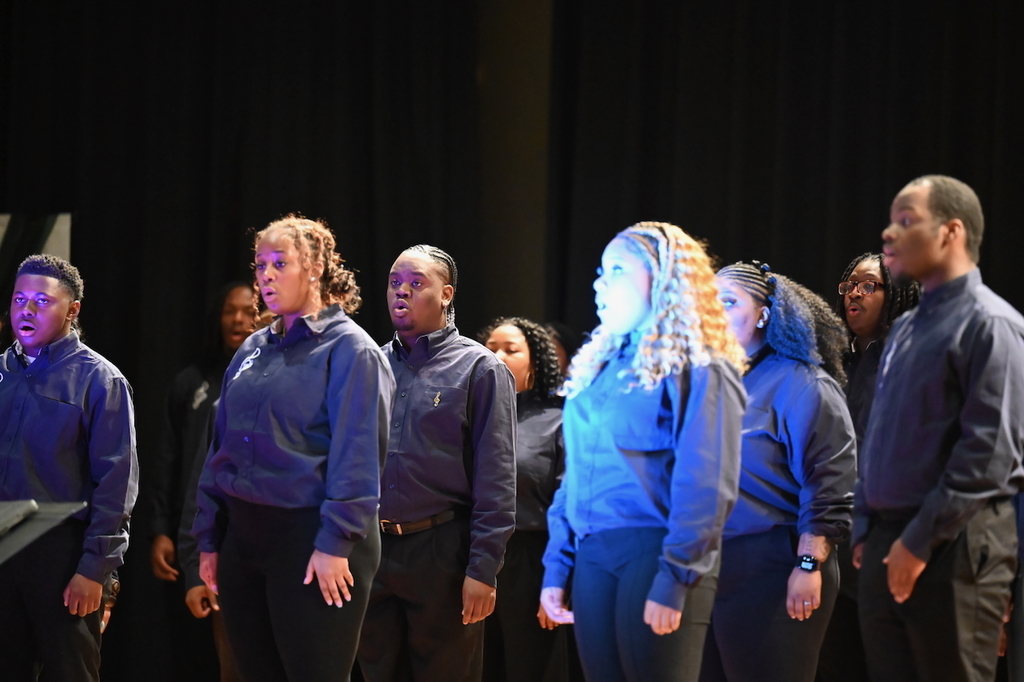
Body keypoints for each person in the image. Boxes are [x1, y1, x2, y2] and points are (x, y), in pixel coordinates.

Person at [540, 222, 747, 682]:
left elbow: (707, 483)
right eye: (599, 271)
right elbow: (574, 478)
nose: (600, 283)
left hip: (654, 553)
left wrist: (676, 577)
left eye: (616, 270)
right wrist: (558, 566)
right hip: (594, 555)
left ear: (665, 279)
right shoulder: (598, 370)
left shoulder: (700, 368)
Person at [192, 215, 394, 682]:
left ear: (316, 267)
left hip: (310, 538)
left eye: (279, 263)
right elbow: (219, 447)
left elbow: (359, 455)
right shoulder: (252, 349)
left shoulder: (351, 350)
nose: (265, 275)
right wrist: (209, 536)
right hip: (243, 535)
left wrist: (334, 542)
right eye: (260, 264)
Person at [853, 175, 1024, 682]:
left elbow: (989, 454)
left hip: (952, 545)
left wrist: (916, 543)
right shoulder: (904, 329)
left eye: (906, 221)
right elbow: (879, 433)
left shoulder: (991, 324)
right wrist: (866, 527)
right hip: (888, 540)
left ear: (950, 232)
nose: (889, 233)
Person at [357, 244, 517, 682]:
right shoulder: (370, 363)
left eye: (415, 283)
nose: (400, 293)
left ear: (446, 294)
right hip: (373, 547)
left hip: (442, 549)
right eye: (394, 283)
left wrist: (483, 569)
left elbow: (497, 477)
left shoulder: (480, 368)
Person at [700, 262, 856, 682]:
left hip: (774, 565)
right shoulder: (716, 383)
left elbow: (829, 481)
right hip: (713, 565)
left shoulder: (803, 384)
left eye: (728, 302)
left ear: (765, 313)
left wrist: (808, 564)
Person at [0, 254, 138, 681]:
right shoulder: (2, 372)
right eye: (20, 299)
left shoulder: (100, 379)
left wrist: (95, 569)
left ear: (72, 310)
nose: (27, 308)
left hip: (61, 553)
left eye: (42, 300)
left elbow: (116, 482)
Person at [816, 253, 919, 682]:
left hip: (887, 537)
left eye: (869, 285)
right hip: (834, 537)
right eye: (849, 286)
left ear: (895, 295)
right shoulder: (832, 363)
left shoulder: (908, 362)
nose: (854, 293)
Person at [147, 281, 254, 681]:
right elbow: (169, 462)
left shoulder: (268, 379)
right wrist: (161, 530)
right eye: (230, 311)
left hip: (249, 541)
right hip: (194, 535)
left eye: (248, 310)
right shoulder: (191, 383)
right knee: (196, 649)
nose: (239, 320)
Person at [479, 316, 569, 682]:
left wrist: (558, 581)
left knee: (531, 668)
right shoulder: (468, 416)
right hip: (475, 559)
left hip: (533, 560)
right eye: (491, 348)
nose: (497, 356)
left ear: (537, 363)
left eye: (511, 350)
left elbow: (569, 501)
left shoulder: (559, 419)